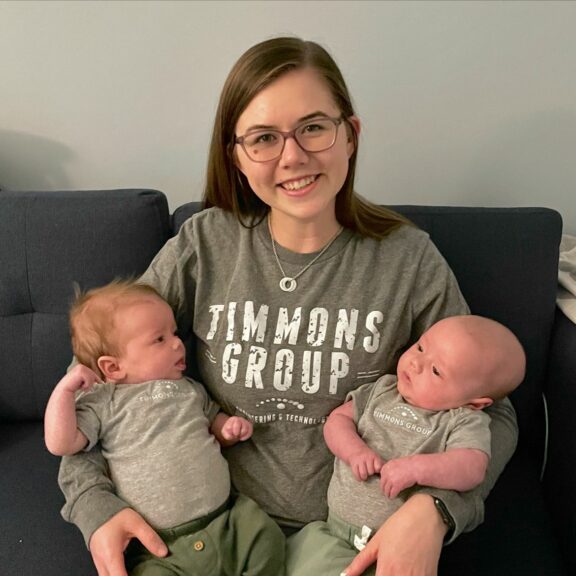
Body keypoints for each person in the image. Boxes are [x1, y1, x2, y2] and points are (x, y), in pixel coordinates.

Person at [57, 37, 519, 576]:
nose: (292, 156)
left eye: (314, 127)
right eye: (263, 138)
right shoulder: (204, 245)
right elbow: (94, 377)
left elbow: (495, 410)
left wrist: (437, 510)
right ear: (236, 154)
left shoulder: (407, 259)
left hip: (352, 541)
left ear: (351, 133)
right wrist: (94, 505)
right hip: (210, 533)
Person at [45, 280, 285, 575]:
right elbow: (62, 443)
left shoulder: (190, 389)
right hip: (161, 547)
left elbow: (212, 424)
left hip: (227, 520)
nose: (177, 343)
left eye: (174, 333)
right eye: (159, 339)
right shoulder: (104, 401)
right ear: (113, 368)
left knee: (266, 537)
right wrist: (64, 392)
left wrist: (228, 428)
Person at [287, 315, 525, 575]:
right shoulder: (383, 389)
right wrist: (355, 451)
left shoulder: (464, 420)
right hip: (332, 532)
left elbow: (473, 467)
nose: (415, 362)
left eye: (436, 371)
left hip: (398, 551)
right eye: (421, 347)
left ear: (475, 403)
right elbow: (337, 421)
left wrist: (417, 468)